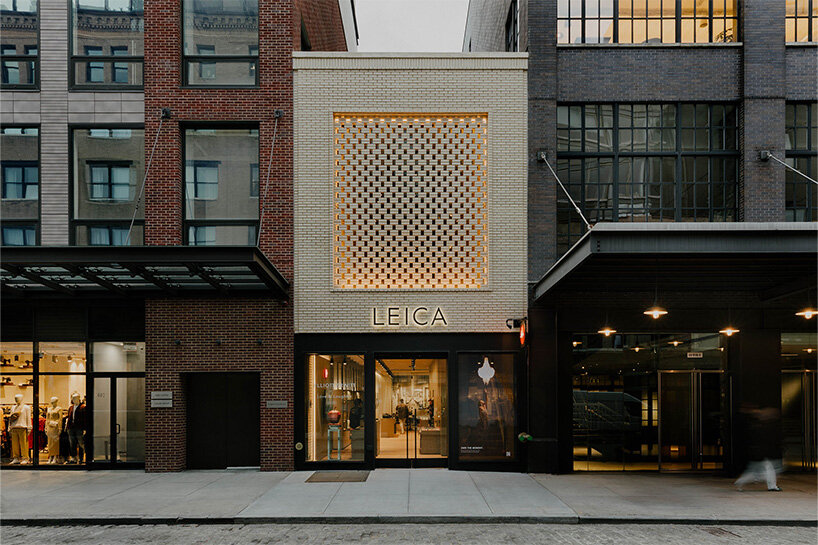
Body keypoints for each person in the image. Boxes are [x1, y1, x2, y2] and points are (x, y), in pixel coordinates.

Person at [735, 405, 783, 492]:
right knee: (760, 471)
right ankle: (741, 481)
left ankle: (772, 486)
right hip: (761, 453)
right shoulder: (762, 426)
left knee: (762, 470)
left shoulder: (758, 425)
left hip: (760, 452)